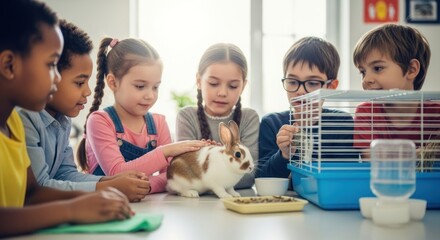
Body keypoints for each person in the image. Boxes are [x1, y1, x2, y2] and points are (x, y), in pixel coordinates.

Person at [0, 0, 131, 237]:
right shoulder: (24, 119)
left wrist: (99, 193)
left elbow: (31, 193)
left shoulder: (14, 124)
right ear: (9, 65)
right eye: (51, 65)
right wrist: (71, 208)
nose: (56, 77)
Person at [18, 20, 149, 202]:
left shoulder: (63, 120)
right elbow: (39, 187)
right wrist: (108, 186)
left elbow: (65, 174)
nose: (87, 91)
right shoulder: (25, 117)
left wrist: (113, 180)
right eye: (79, 83)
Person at [77, 37, 208, 194]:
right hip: (102, 205)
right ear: (113, 82)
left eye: (155, 87)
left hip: (144, 205)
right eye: (140, 86)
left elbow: (171, 174)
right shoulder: (99, 121)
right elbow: (116, 172)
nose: (150, 95)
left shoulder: (159, 123)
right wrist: (165, 151)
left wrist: (146, 186)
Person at [257, 37, 355, 178]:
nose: (300, 91)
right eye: (292, 81)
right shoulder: (271, 123)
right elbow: (262, 179)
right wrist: (284, 154)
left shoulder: (341, 123)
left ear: (331, 87)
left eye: (312, 83)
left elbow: (343, 177)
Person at [175, 43, 259, 189]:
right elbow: (186, 174)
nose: (222, 92)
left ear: (243, 86)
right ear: (199, 81)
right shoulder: (187, 117)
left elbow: (248, 177)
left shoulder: (249, 118)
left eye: (232, 86)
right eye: (213, 83)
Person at [352, 23, 439, 153]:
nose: (366, 80)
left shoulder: (436, 115)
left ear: (411, 70)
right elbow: (370, 158)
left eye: (378, 68)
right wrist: (421, 153)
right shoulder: (365, 113)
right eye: (363, 72)